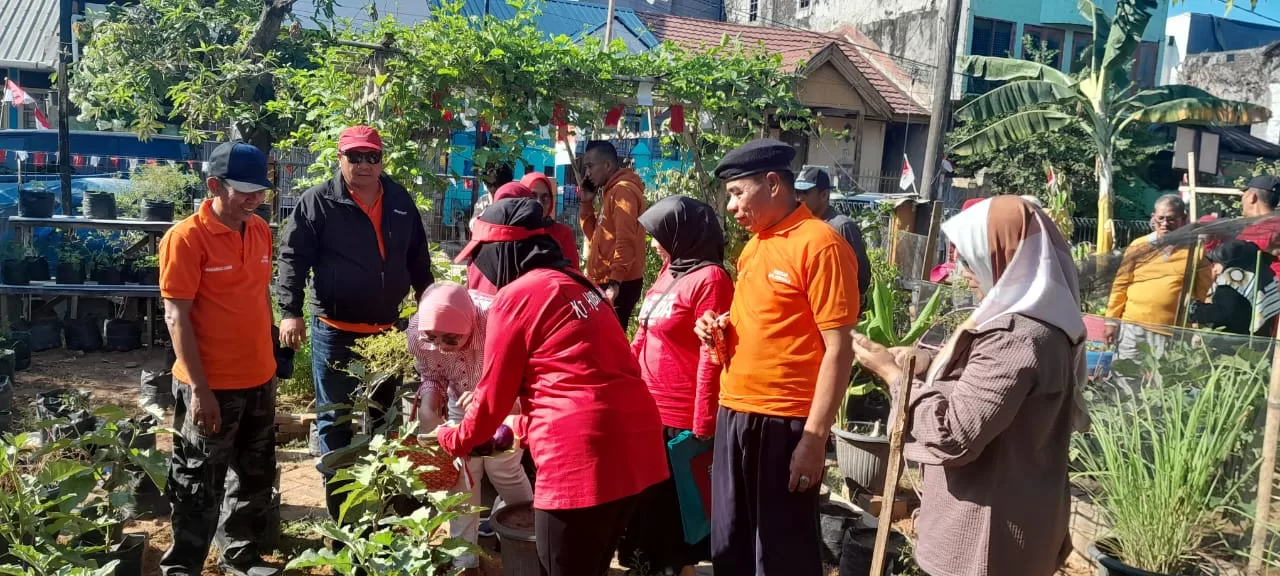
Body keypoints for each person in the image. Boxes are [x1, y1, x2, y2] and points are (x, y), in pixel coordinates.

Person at [851, 195, 1086, 576]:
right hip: (1018, 524)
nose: (964, 271)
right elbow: (982, 383)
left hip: (986, 540)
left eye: (972, 259)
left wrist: (893, 376)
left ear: (1005, 259)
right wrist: (924, 362)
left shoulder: (1017, 337)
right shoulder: (1038, 325)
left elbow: (953, 435)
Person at [436, 198, 667, 576]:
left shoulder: (517, 297)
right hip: (636, 446)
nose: (480, 266)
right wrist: (526, 425)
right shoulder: (582, 285)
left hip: (581, 455)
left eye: (482, 254)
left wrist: (454, 438)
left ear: (504, 250)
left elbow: (493, 397)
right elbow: (590, 371)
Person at [694, 139, 860, 575]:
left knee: (781, 551)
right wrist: (719, 326)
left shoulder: (821, 245)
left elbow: (839, 348)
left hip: (784, 422)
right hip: (736, 413)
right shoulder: (754, 247)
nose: (730, 208)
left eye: (736, 193)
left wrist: (814, 438)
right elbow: (768, 320)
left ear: (772, 183)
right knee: (731, 543)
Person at [275, 125, 435, 519]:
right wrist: (289, 311)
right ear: (340, 158)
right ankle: (344, 515)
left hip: (387, 332)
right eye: (355, 157)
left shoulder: (399, 199)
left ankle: (386, 506)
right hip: (336, 332)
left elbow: (418, 258)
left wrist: (429, 305)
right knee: (336, 421)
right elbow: (292, 259)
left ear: (381, 160)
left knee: (387, 417)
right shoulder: (316, 203)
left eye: (372, 157)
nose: (364, 165)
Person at [159, 142, 278, 576]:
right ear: (214, 185)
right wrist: (200, 389)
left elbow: (257, 296)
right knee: (197, 481)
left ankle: (240, 556)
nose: (254, 198)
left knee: (255, 474)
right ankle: (184, 566)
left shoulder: (260, 230)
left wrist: (270, 357)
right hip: (210, 384)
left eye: (261, 189)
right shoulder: (186, 238)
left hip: (259, 378)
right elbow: (176, 317)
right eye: (244, 190)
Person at [619, 195, 734, 575]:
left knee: (676, 519)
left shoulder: (711, 279)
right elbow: (644, 328)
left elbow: (711, 353)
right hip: (648, 410)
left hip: (681, 417)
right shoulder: (670, 271)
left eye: (659, 234)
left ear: (683, 233)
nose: (653, 243)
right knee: (649, 509)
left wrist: (703, 421)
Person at [406, 282, 533, 575]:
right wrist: (429, 400)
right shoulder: (418, 333)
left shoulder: (496, 321)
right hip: (460, 403)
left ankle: (524, 537)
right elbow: (433, 373)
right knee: (462, 476)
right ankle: (465, 560)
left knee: (504, 469)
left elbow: (524, 371)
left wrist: (489, 396)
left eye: (450, 340)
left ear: (469, 324)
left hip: (504, 403)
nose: (440, 346)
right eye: (432, 338)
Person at [1104, 194, 1211, 360]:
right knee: (1125, 378)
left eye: (1171, 219)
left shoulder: (1194, 252)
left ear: (1184, 219)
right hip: (1133, 325)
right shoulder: (1139, 246)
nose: (1165, 224)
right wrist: (1111, 321)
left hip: (1169, 329)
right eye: (1160, 218)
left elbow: (1203, 292)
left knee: (1161, 382)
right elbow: (1121, 284)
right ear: (1153, 217)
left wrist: (1197, 327)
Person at [579, 140, 647, 325]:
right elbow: (594, 237)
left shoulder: (622, 191)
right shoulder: (610, 192)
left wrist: (615, 283)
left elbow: (626, 240)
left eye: (590, 166)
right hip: (608, 280)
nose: (587, 173)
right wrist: (586, 203)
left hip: (617, 283)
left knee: (607, 345)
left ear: (607, 165)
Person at [794, 166, 871, 305]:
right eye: (797, 193)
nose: (799, 198)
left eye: (805, 193)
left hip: (835, 309)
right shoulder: (801, 225)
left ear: (824, 195)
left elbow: (862, 274)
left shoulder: (842, 226)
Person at [1189, 239, 1280, 337]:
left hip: (1232, 341)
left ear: (1228, 261)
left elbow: (1223, 312)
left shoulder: (1233, 278)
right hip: (1260, 339)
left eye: (1215, 263)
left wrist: (1196, 311)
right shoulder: (1261, 274)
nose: (1214, 269)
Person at [520, 171, 581, 268]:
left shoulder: (563, 233)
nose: (539, 203)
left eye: (545, 198)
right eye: (532, 196)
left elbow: (573, 272)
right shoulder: (513, 231)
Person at [1236, 175, 1280, 278]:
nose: (1242, 200)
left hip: (1267, 291)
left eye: (1244, 194)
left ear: (1252, 197)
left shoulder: (1259, 230)